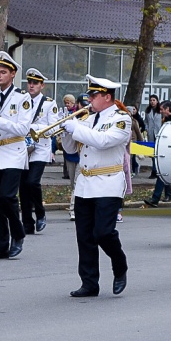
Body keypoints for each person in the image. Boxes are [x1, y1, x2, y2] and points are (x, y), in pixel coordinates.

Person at [57, 74, 131, 297]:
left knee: (103, 233)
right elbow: (71, 150)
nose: (89, 99)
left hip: (108, 182)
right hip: (85, 183)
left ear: (107, 97)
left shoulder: (121, 119)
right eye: (89, 94)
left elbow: (103, 141)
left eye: (94, 95)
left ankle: (120, 264)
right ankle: (89, 283)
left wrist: (76, 128)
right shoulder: (88, 119)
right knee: (85, 236)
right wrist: (66, 131)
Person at [0, 51, 34, 259]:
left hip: (13, 153)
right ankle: (0, 244)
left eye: (3, 72)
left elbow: (23, 129)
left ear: (12, 74)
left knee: (7, 197)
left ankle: (18, 234)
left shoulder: (22, 97)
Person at [20, 68, 59, 235]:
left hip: (40, 148)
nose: (31, 85)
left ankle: (40, 212)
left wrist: (34, 128)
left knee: (32, 182)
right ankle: (27, 223)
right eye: (29, 82)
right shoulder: (22, 100)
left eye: (35, 83)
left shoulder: (49, 103)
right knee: (23, 186)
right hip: (23, 147)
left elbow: (54, 127)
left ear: (42, 85)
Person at [144, 94, 162, 178]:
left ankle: (157, 170)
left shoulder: (161, 110)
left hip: (159, 133)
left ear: (157, 101)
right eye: (151, 100)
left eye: (154, 100)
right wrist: (147, 128)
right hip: (151, 133)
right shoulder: (148, 111)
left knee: (158, 152)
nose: (152, 102)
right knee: (152, 153)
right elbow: (146, 121)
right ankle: (154, 170)